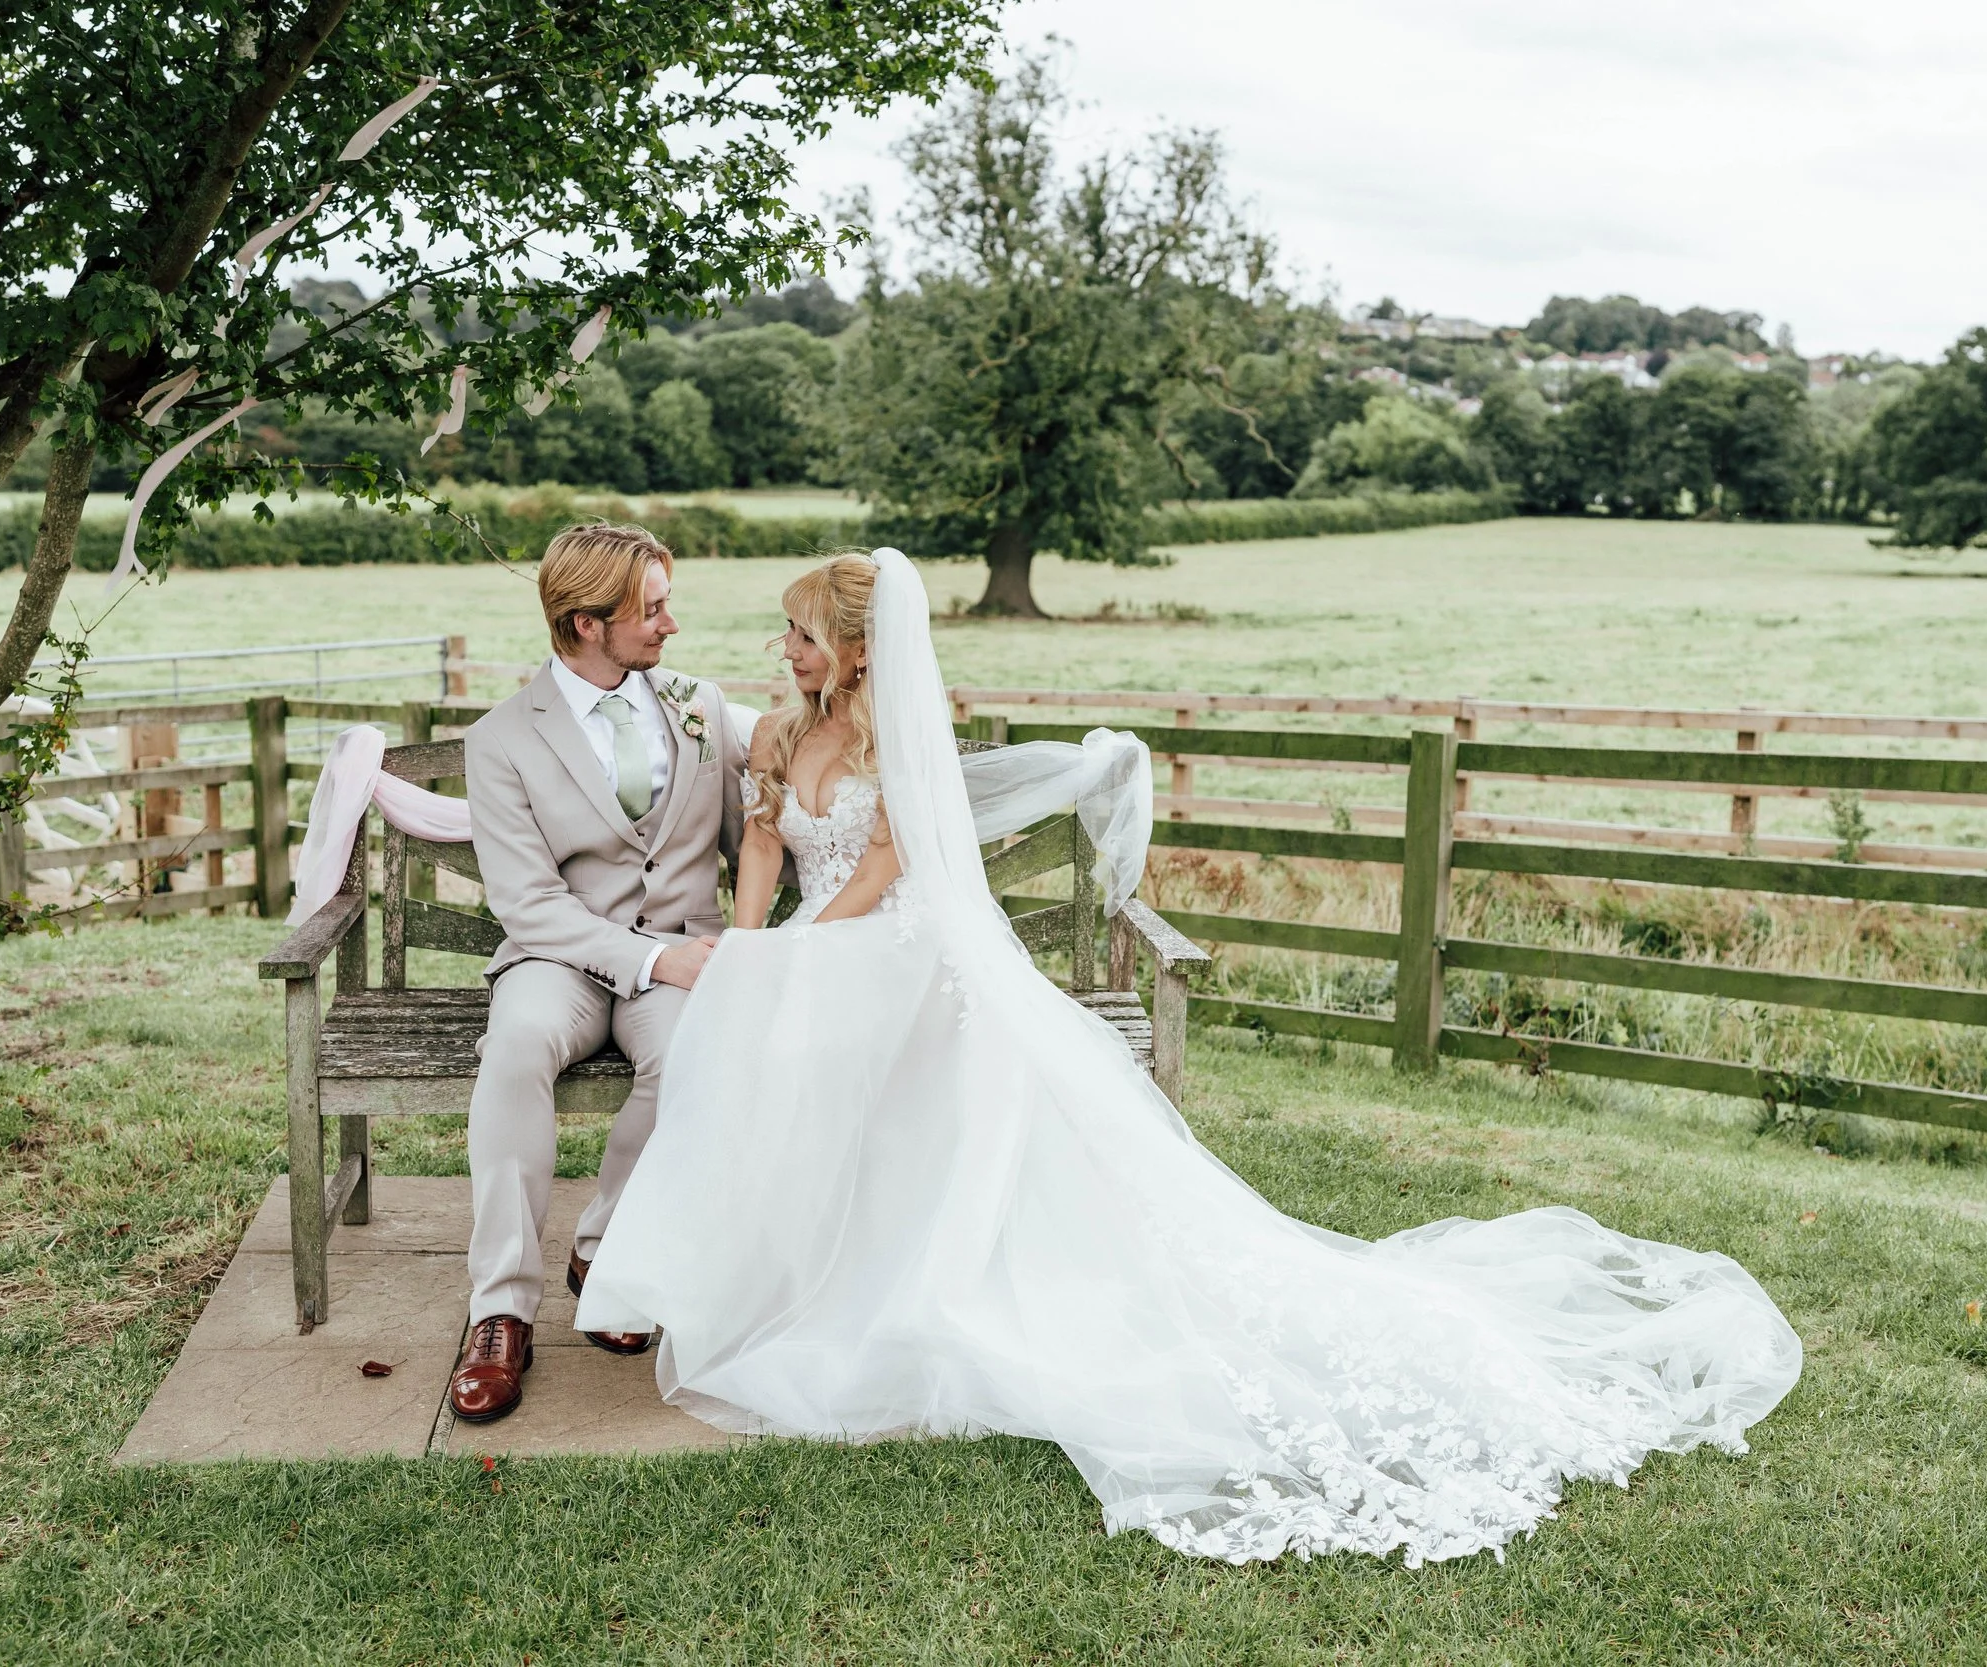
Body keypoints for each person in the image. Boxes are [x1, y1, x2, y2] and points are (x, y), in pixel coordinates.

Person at [578, 549, 1803, 1567]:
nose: (781, 653)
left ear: (852, 646)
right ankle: (740, 1267)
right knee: (743, 1027)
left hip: (889, 948)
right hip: (811, 944)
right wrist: (750, 947)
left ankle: (866, 1268)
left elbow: (890, 870)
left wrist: (789, 957)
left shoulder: (902, 743)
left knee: (819, 1036)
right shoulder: (782, 735)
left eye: (798, 636)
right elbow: (760, 849)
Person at [444, 524, 751, 1425]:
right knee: (515, 1047)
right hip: (561, 957)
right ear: (586, 623)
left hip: (683, 956)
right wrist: (652, 957)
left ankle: (606, 1250)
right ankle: (500, 1309)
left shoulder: (701, 705)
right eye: (651, 609)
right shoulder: (500, 740)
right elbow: (529, 903)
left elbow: (751, 837)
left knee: (692, 1054)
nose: (671, 625)